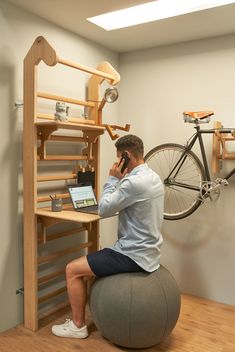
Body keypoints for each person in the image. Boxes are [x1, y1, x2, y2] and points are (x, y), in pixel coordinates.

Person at [51, 134, 164, 339]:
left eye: (119, 157)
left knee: (72, 269)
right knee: (95, 256)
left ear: (127, 156)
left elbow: (103, 209)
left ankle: (77, 326)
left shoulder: (134, 183)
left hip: (133, 255)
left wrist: (113, 178)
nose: (117, 162)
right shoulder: (153, 177)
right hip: (150, 252)